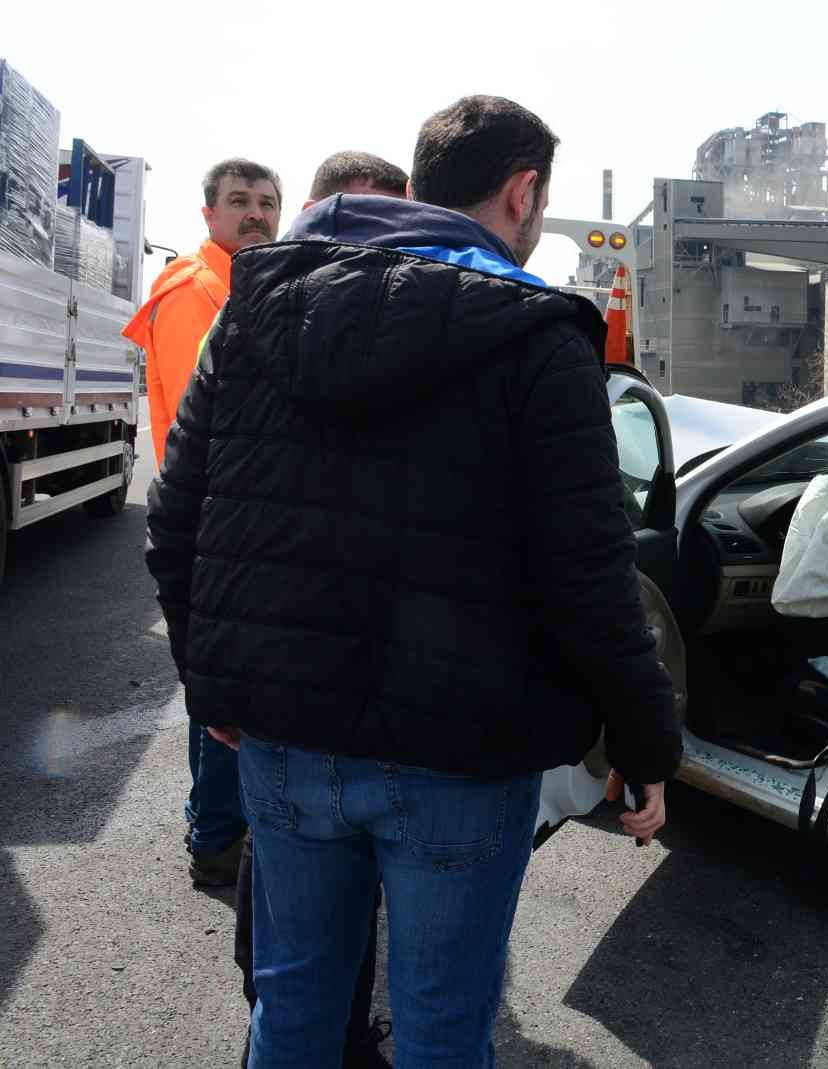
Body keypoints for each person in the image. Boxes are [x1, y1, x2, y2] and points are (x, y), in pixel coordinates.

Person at [145, 96, 680, 1068]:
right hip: (462, 755)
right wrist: (643, 743)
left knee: (292, 1012)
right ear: (522, 192)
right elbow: (593, 580)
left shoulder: (256, 308)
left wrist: (211, 681)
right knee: (441, 1031)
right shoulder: (537, 337)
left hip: (286, 737)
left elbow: (175, 518)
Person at [229, 153, 410, 1069]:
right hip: (285, 676)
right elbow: (197, 517)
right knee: (291, 916)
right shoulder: (251, 315)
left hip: (342, 683)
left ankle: (326, 1025)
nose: (372, 241)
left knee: (325, 902)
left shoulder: (420, 322)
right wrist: (216, 673)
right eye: (357, 216)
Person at [123, 158, 282, 888]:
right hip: (215, 518)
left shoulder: (238, 283)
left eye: (267, 203)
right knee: (225, 683)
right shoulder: (198, 290)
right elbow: (217, 419)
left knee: (225, 679)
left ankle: (215, 824)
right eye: (239, 201)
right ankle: (217, 837)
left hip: (224, 516)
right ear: (208, 214)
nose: (256, 214)